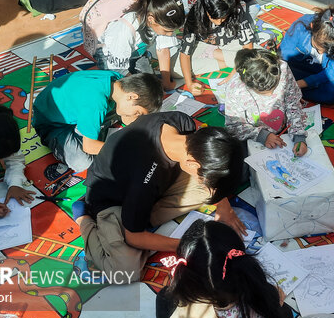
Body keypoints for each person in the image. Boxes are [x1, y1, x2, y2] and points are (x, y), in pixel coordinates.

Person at [73, 111, 246, 280]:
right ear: (192, 164)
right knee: (126, 270)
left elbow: (214, 161)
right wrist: (182, 245)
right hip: (113, 200)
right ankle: (83, 219)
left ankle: (148, 217)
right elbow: (134, 236)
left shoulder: (181, 122)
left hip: (156, 185)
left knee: (223, 181)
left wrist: (224, 207)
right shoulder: (143, 178)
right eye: (201, 177)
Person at [154, 219, 292, 318]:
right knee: (285, 313)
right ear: (242, 263)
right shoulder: (265, 296)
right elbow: (278, 314)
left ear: (189, 278)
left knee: (164, 297)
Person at [32, 71, 163, 173]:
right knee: (81, 162)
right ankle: (80, 131)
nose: (135, 117)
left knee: (118, 117)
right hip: (52, 123)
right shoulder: (96, 102)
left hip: (71, 106)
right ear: (132, 96)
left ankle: (85, 128)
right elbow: (89, 147)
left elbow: (126, 118)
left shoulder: (117, 81)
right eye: (137, 113)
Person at [97, 0, 185, 91]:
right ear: (151, 19)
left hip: (135, 53)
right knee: (134, 91)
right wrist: (137, 87)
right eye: (167, 31)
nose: (170, 34)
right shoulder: (125, 29)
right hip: (109, 56)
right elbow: (118, 69)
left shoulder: (161, 21)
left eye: (173, 31)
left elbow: (163, 51)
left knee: (151, 84)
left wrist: (166, 82)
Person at [175, 0, 256, 95]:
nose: (219, 22)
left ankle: (217, 55)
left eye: (224, 18)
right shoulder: (196, 14)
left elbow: (247, 46)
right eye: (214, 18)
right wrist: (189, 84)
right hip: (203, 47)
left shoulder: (236, 10)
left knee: (258, 56)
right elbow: (185, 54)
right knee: (175, 70)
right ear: (205, 9)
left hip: (231, 44)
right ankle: (222, 59)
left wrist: (234, 73)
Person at [224, 48, 308, 157]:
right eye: (263, 93)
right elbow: (233, 126)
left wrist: (299, 136)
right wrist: (262, 136)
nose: (271, 95)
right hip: (252, 136)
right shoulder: (235, 89)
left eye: (275, 88)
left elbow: (293, 103)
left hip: (284, 130)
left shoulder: (282, 69)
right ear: (247, 84)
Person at [280, 5, 334, 104]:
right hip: (300, 67)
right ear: (312, 27)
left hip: (323, 72)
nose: (320, 52)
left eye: (326, 50)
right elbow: (285, 55)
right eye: (317, 47)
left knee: (332, 91)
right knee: (277, 74)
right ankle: (295, 89)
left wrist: (300, 84)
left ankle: (294, 90)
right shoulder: (301, 26)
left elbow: (333, 71)